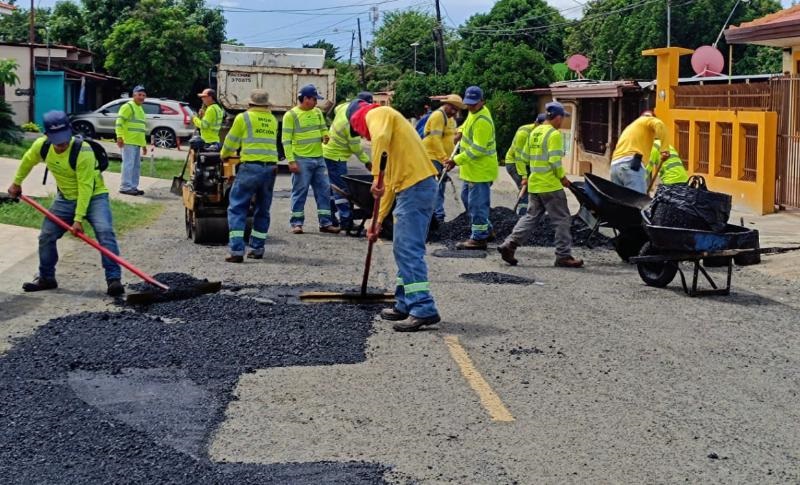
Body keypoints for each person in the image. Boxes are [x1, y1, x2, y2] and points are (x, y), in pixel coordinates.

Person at [7, 110, 124, 295]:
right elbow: (27, 161)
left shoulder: (83, 151)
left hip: (94, 197)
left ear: (70, 131)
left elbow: (85, 187)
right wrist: (16, 183)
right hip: (65, 199)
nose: (61, 144)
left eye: (64, 138)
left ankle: (114, 279)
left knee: (105, 232)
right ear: (47, 135)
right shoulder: (41, 146)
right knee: (46, 236)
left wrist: (78, 219)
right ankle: (46, 278)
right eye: (56, 139)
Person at [348, 100, 441, 332]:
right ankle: (404, 302)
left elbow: (378, 143)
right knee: (402, 247)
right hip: (413, 188)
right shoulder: (390, 144)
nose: (366, 138)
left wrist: (375, 176)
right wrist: (376, 221)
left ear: (357, 121)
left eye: (361, 133)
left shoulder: (378, 113)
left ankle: (422, 307)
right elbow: (387, 186)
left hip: (415, 187)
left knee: (408, 249)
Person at [497, 102, 584, 269]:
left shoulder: (535, 132)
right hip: (550, 186)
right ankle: (563, 256)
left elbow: (522, 157)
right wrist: (562, 178)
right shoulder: (554, 134)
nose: (563, 122)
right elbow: (554, 161)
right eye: (563, 118)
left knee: (530, 217)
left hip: (535, 183)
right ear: (557, 117)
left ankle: (509, 244)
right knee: (562, 219)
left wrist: (525, 176)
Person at [220, 90, 279, 263]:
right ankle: (257, 248)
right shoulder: (272, 120)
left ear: (250, 104)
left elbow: (232, 141)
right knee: (263, 209)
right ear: (267, 105)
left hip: (251, 167)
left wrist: (224, 154)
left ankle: (237, 251)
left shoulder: (243, 118)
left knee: (237, 207)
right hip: (270, 168)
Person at [443, 86, 498, 250]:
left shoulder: (483, 121)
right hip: (471, 170)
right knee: (467, 198)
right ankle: (486, 229)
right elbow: (466, 125)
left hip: (480, 171)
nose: (471, 107)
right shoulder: (474, 114)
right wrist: (459, 131)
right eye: (468, 104)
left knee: (477, 205)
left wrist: (456, 160)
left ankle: (479, 238)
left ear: (482, 101)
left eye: (474, 104)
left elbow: (478, 149)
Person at [283, 84, 339, 234]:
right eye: (314, 99)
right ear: (306, 99)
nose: (316, 102)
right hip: (301, 159)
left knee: (324, 191)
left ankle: (325, 223)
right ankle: (297, 223)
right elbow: (286, 140)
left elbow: (323, 128)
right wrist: (291, 161)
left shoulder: (317, 113)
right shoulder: (291, 115)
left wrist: (326, 135)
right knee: (299, 192)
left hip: (319, 159)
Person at [322, 91, 373, 231]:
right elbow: (356, 147)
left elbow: (337, 108)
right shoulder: (351, 123)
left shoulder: (345, 106)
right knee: (342, 190)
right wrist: (367, 162)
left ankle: (330, 218)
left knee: (334, 189)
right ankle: (346, 221)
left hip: (330, 152)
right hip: (335, 156)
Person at [422, 94, 464, 225]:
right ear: (447, 105)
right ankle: (436, 216)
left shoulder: (451, 119)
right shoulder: (437, 116)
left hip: (443, 160)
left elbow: (452, 138)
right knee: (436, 187)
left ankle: (436, 215)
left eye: (457, 110)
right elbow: (435, 139)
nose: (454, 112)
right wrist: (444, 158)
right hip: (432, 157)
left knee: (440, 187)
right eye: (452, 108)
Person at [610, 111, 670, 194]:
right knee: (638, 202)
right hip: (631, 164)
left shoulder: (631, 127)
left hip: (615, 167)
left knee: (620, 202)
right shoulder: (647, 120)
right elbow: (659, 124)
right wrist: (665, 149)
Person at [505, 113, 546, 215]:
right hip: (514, 163)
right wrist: (524, 176)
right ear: (536, 123)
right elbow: (519, 157)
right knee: (525, 189)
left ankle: (531, 213)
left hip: (528, 165)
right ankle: (521, 215)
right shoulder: (524, 133)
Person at [116, 85, 148, 196]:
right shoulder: (128, 106)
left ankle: (133, 187)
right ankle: (125, 187)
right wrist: (119, 137)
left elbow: (141, 128)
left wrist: (144, 145)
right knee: (128, 165)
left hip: (137, 142)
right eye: (139, 95)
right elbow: (119, 122)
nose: (142, 97)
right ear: (134, 95)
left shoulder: (140, 109)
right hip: (128, 141)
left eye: (143, 95)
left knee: (135, 166)